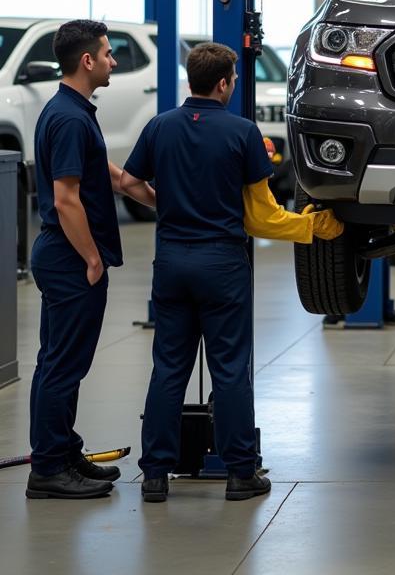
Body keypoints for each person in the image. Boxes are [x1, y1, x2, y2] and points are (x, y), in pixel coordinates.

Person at [120, 42, 343, 504]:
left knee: (168, 369)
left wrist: (170, 206)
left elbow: (127, 182)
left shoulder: (159, 127)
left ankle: (155, 476)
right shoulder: (243, 133)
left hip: (173, 261)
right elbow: (262, 219)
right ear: (223, 83)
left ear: (190, 79)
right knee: (229, 370)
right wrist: (312, 227)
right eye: (235, 79)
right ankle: (240, 474)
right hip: (221, 264)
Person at [27, 20, 155, 500]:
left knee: (60, 362)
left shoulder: (73, 111)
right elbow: (66, 200)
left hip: (65, 257)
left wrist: (159, 196)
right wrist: (92, 259)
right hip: (68, 259)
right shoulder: (69, 117)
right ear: (87, 61)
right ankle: (48, 470)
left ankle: (61, 452)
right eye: (107, 54)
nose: (112, 61)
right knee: (62, 366)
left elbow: (108, 173)